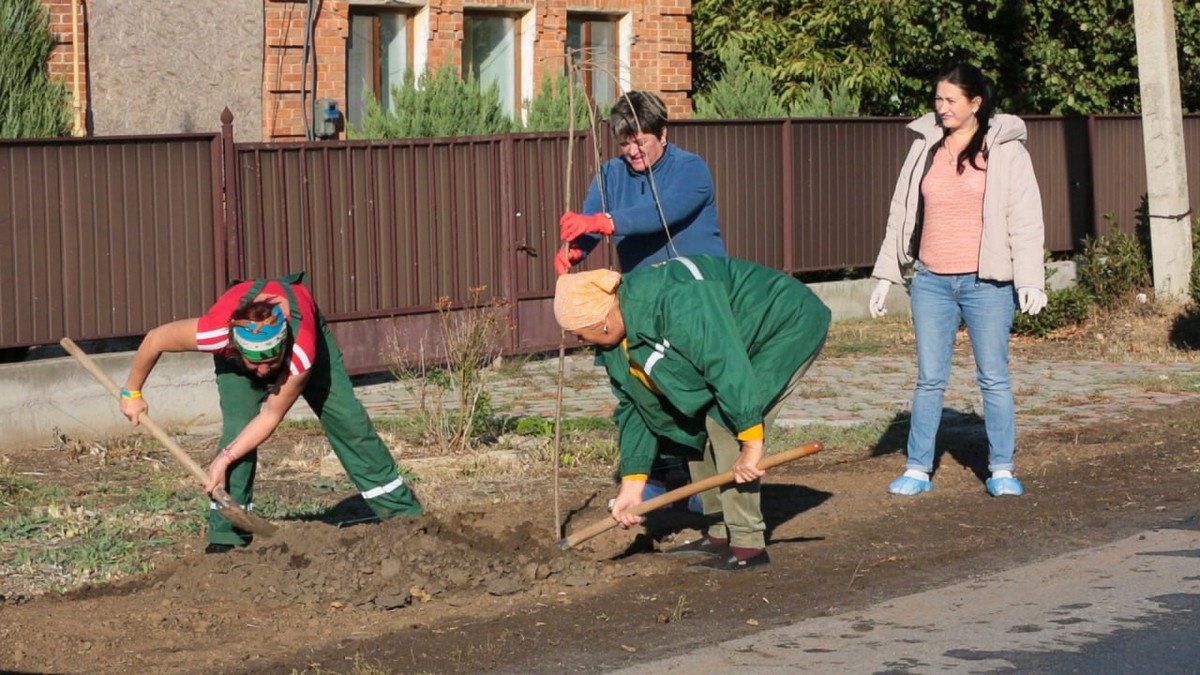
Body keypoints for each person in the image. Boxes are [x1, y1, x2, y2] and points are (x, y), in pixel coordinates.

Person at [554, 256, 831, 571]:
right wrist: (632, 484)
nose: (580, 342)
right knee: (691, 421)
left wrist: (752, 445)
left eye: (579, 333)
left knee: (725, 423)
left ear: (601, 320)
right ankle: (719, 531)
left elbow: (724, 363)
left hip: (784, 323)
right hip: (733, 343)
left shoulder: (675, 301)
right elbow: (636, 406)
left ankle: (747, 545)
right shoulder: (616, 341)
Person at [119, 272, 423, 553]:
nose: (264, 372)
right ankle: (227, 542)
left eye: (271, 362)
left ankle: (405, 518)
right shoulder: (216, 334)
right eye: (256, 364)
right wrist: (132, 392)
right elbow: (155, 339)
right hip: (236, 352)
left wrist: (223, 458)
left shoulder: (301, 351)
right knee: (237, 433)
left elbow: (270, 416)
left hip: (305, 339)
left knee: (349, 422)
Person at [868, 63, 1047, 498]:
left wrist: (1030, 279)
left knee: (994, 378)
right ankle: (917, 467)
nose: (941, 107)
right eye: (938, 99)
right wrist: (885, 274)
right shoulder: (925, 147)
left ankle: (1001, 467)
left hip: (987, 283)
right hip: (931, 280)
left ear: (975, 104)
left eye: (950, 100)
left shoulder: (1006, 151)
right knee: (930, 378)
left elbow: (1025, 220)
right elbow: (901, 212)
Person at [555, 90, 725, 275]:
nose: (633, 151)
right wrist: (577, 248)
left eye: (640, 142)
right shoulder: (609, 175)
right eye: (624, 144)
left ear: (662, 134)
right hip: (643, 291)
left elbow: (662, 213)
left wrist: (607, 222)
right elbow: (592, 220)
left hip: (700, 287)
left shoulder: (691, 168)